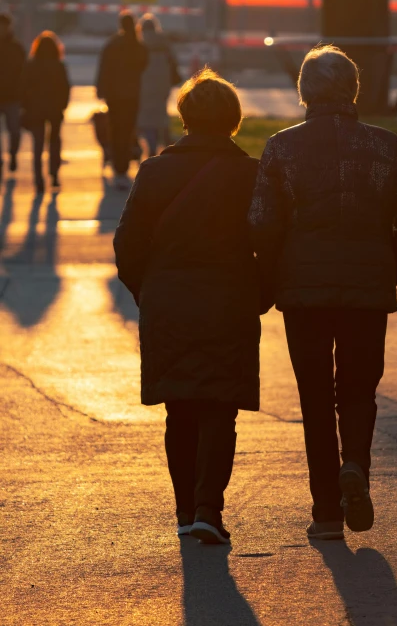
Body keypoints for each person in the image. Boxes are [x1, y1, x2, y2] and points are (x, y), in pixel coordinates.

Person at [249, 45, 397, 540]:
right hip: (367, 292)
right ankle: (355, 464)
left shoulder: (281, 148)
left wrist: (277, 271)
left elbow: (262, 224)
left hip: (303, 293)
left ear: (304, 91)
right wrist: (385, 268)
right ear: (353, 89)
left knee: (313, 397)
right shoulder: (386, 146)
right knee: (358, 388)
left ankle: (326, 512)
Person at [114, 68, 266, 545]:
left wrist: (150, 292)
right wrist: (260, 295)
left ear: (184, 118)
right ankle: (208, 508)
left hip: (169, 306)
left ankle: (185, 511)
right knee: (220, 406)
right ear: (234, 120)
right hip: (229, 303)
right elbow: (272, 240)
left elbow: (127, 246)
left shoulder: (155, 171)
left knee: (179, 408)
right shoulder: (250, 174)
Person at [96, 11, 148, 189]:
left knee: (116, 129)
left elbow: (104, 67)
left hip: (114, 95)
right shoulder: (138, 44)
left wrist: (100, 88)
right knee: (128, 129)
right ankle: (124, 164)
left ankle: (119, 167)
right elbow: (144, 65)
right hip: (132, 94)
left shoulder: (113, 44)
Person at [22, 31, 70, 194]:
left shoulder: (31, 65)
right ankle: (54, 175)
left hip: (35, 110)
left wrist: (26, 107)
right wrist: (63, 105)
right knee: (54, 142)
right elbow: (65, 88)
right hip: (55, 110)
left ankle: (38, 180)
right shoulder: (59, 65)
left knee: (38, 145)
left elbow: (24, 88)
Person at [138, 13, 181, 157]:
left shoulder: (139, 42)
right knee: (161, 113)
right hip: (163, 83)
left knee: (146, 116)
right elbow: (173, 62)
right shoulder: (164, 42)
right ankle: (163, 142)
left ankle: (151, 145)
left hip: (144, 84)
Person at [0, 13, 26, 183]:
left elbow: (25, 73)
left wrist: (24, 95)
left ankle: (13, 155)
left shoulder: (17, 48)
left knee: (15, 131)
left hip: (13, 97)